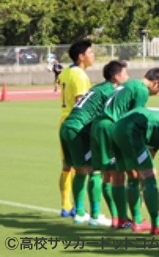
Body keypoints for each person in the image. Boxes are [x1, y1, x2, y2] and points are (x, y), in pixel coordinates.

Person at [90, 67, 159, 231]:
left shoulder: (131, 83)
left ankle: (119, 219)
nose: (157, 94)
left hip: (101, 124)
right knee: (128, 173)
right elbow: (136, 118)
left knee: (114, 172)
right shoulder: (142, 90)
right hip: (112, 126)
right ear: (155, 83)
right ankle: (131, 219)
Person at [59, 60, 129, 226]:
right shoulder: (111, 91)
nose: (128, 76)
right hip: (79, 130)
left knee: (79, 171)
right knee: (95, 171)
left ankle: (80, 213)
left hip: (67, 127)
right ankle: (95, 215)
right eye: (125, 73)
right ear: (116, 77)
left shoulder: (98, 87)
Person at [111, 107, 159, 235]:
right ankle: (156, 224)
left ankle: (137, 221)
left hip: (117, 128)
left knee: (134, 176)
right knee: (149, 175)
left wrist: (146, 189)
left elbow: (151, 152)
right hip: (132, 129)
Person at [57, 40, 95, 218]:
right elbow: (81, 101)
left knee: (67, 166)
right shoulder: (79, 75)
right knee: (82, 167)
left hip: (64, 121)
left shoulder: (66, 71)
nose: (93, 55)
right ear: (81, 56)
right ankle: (79, 208)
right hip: (77, 124)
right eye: (90, 52)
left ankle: (66, 206)